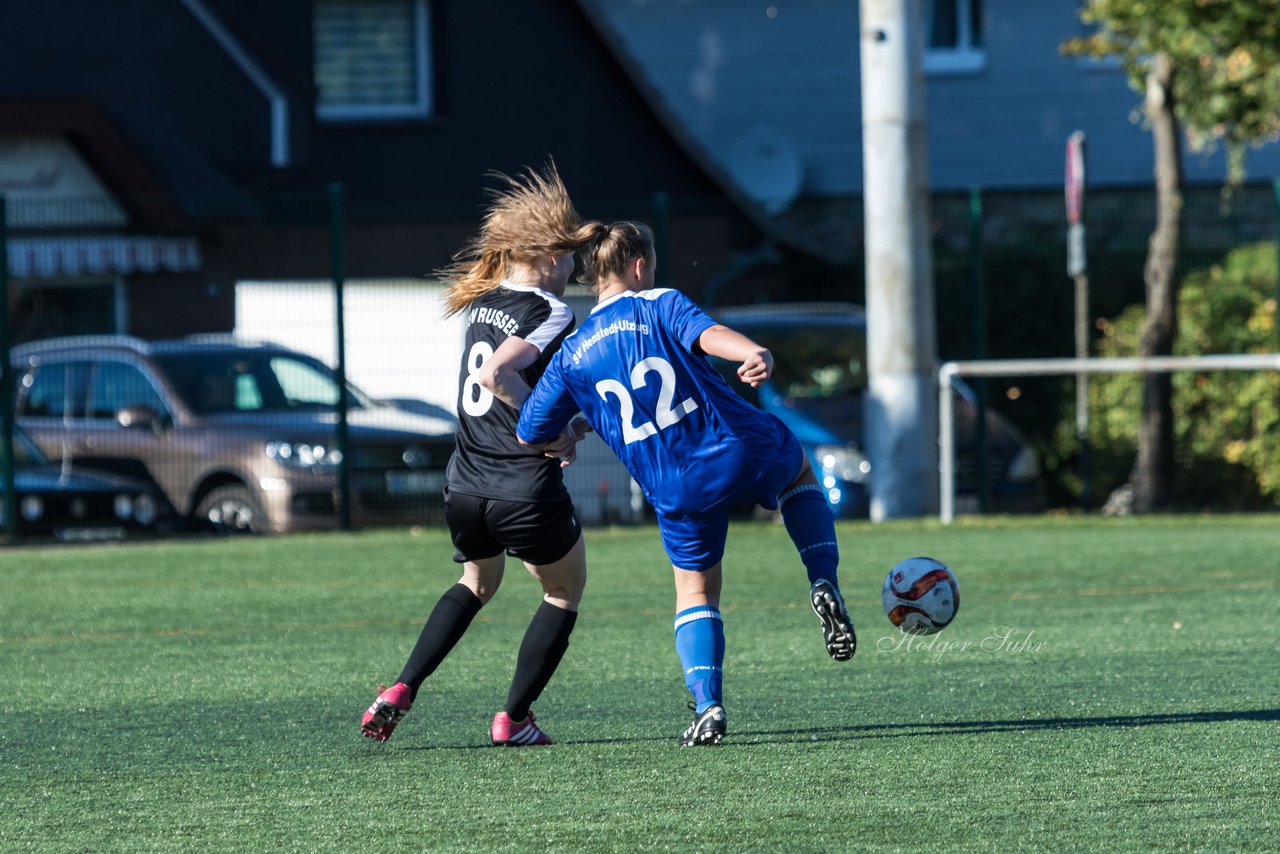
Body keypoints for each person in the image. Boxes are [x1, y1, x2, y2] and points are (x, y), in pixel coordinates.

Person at [516, 221, 856, 747]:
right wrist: (751, 351)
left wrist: (565, 436)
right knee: (798, 473)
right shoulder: (658, 303)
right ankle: (821, 577)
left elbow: (530, 429)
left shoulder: (572, 354)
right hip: (735, 447)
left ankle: (708, 705)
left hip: (673, 486)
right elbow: (707, 335)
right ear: (638, 267)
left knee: (696, 591)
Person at [361, 164, 596, 746]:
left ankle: (401, 688)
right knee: (563, 590)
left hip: (465, 485)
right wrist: (547, 434)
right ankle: (513, 719)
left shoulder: (483, 302)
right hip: (521, 486)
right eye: (568, 257)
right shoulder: (551, 311)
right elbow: (498, 375)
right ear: (544, 257)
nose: (573, 269)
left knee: (477, 582)